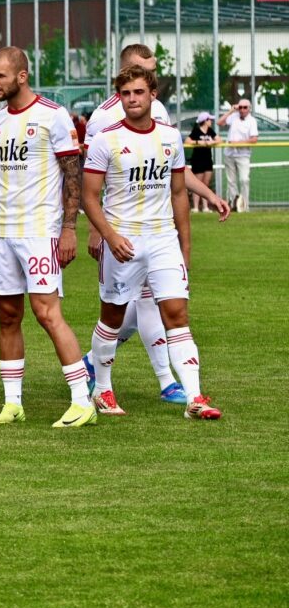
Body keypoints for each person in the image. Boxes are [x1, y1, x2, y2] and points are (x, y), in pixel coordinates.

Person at [0, 48, 94, 427]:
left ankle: (83, 400)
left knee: (47, 313)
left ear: (21, 76)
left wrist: (69, 229)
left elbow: (73, 174)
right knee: (7, 315)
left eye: (0, 76)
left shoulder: (53, 116)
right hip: (1, 233)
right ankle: (12, 403)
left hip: (39, 232)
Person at [84, 44, 228, 405]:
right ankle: (101, 384)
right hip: (122, 239)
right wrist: (102, 234)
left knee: (172, 311)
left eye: (142, 88)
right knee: (115, 317)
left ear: (152, 91)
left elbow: (177, 184)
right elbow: (89, 190)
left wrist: (189, 237)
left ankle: (191, 394)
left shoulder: (167, 127)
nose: (134, 97)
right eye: (127, 91)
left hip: (162, 237)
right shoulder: (103, 128)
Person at [222, 99, 258, 212]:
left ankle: (245, 206)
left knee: (244, 179)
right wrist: (231, 110)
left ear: (249, 108)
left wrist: (237, 143)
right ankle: (234, 204)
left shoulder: (252, 121)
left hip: (243, 154)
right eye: (240, 107)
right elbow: (220, 122)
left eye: (245, 107)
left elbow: (254, 139)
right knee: (231, 181)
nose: (242, 110)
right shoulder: (234, 116)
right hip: (229, 154)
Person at [188, 112, 218, 211]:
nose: (211, 122)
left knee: (206, 184)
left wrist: (211, 142)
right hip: (198, 160)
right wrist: (198, 142)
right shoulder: (196, 131)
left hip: (207, 160)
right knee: (197, 184)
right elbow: (188, 141)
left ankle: (205, 207)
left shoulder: (210, 131)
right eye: (209, 120)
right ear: (204, 121)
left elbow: (219, 140)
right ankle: (196, 207)